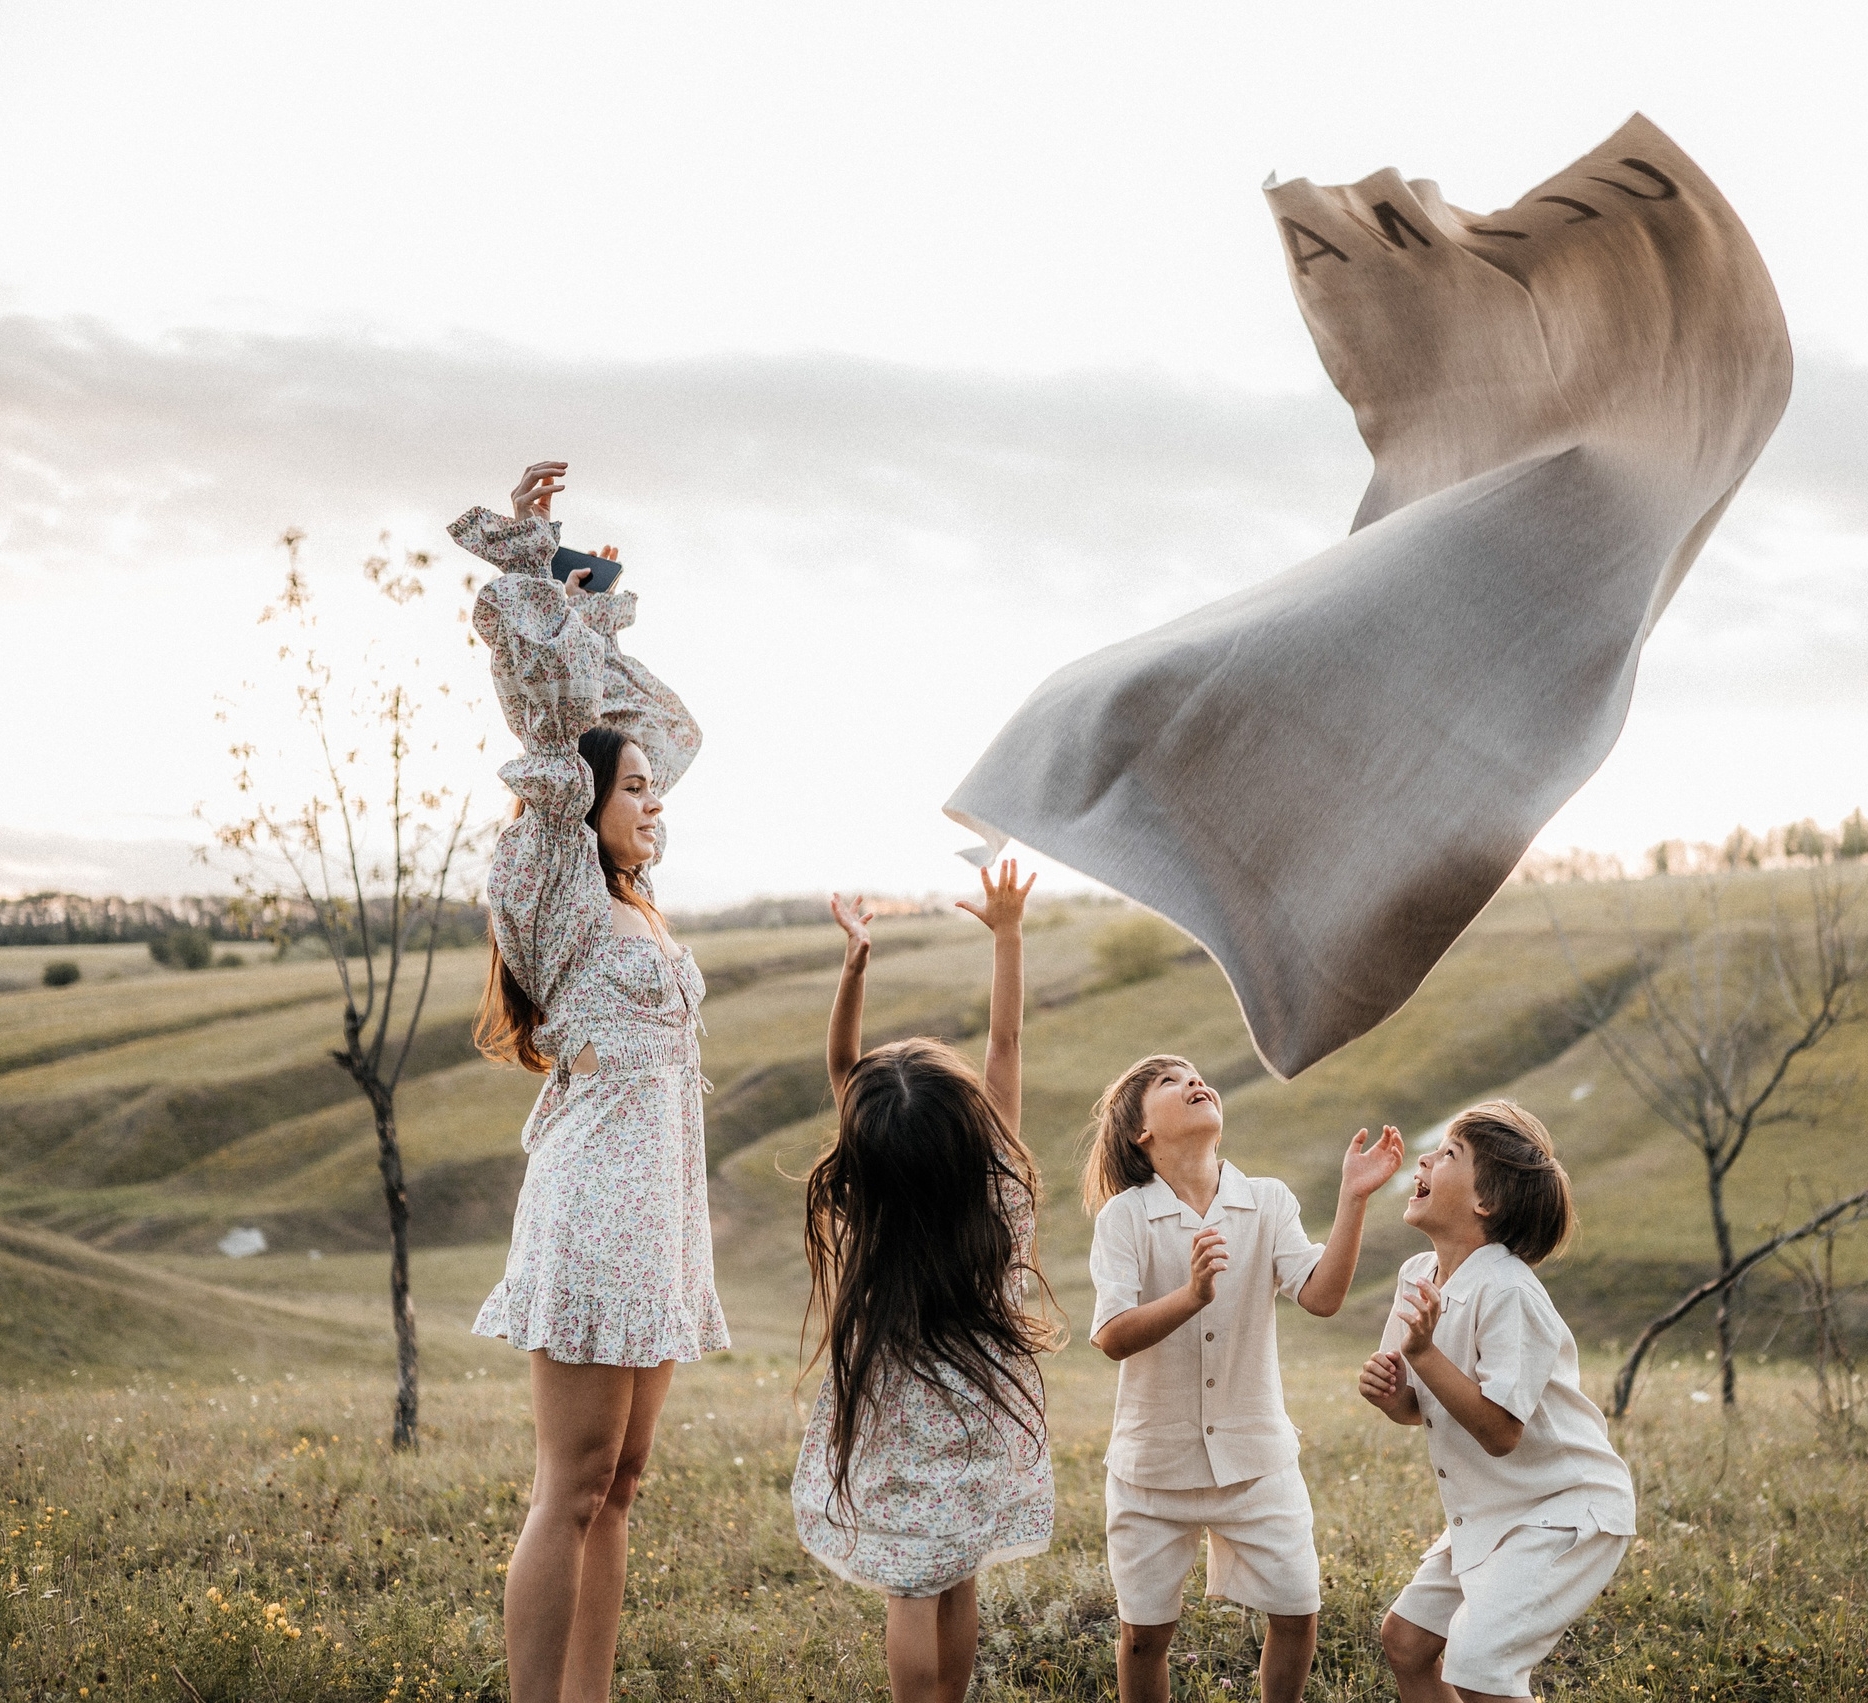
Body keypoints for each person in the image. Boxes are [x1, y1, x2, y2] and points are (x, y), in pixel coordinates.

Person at [458, 460, 729, 1703]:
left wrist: (596, 597)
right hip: (591, 1208)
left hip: (660, 1216)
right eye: (632, 789)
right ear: (581, 804)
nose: (651, 797)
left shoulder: (638, 904)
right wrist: (534, 554)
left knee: (621, 1483)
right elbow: (566, 731)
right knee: (569, 1484)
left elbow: (643, 725)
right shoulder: (558, 881)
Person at [792, 862, 1056, 1703]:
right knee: (960, 1570)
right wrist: (1007, 933)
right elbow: (1005, 1045)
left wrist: (855, 964)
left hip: (896, 1420)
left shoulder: (872, 1195)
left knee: (912, 1582)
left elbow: (841, 1063)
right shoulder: (995, 1186)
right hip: (980, 1422)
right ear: (967, 1123)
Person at [1084, 1055, 1405, 1703]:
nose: (1194, 1080)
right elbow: (1112, 1334)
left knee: (1296, 1612)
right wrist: (1193, 1294)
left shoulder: (1267, 1201)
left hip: (1259, 1461)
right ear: (1139, 1133)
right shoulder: (1124, 1218)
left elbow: (1321, 1296)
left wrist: (1352, 1198)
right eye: (1168, 1080)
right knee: (1146, 1636)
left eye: (1196, 1073)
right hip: (1152, 1472)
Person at [1359, 1102, 1635, 1703]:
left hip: (1563, 1510)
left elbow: (1501, 1432)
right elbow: (1422, 1407)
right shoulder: (1418, 1275)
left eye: (1449, 1154)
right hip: (1492, 1513)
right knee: (1407, 1643)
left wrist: (1426, 1356)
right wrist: (1393, 1398)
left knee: (1478, 1665)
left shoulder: (1509, 1291)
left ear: (1486, 1203)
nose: (1425, 1159)